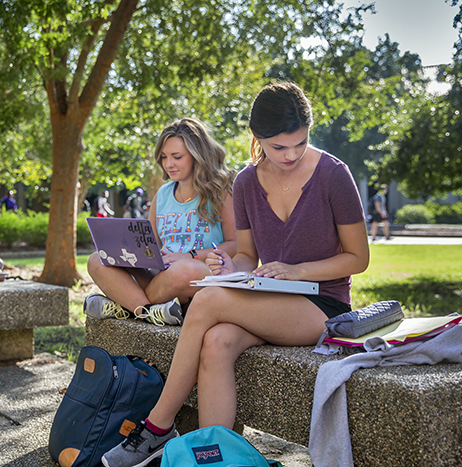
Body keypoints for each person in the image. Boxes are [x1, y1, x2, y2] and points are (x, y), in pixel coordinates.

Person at [100, 82, 370, 467]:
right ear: (257, 137)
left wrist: (297, 271)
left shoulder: (333, 174)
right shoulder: (244, 183)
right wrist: (229, 269)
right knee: (216, 341)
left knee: (208, 300)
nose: (291, 154)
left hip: (321, 304)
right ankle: (215, 460)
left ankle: (156, 428)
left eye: (300, 142)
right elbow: (246, 255)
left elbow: (358, 258)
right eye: (278, 147)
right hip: (270, 299)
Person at [85, 117, 237, 327]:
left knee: (183, 270)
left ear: (197, 156)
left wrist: (189, 255)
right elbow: (151, 246)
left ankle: (127, 306)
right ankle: (149, 312)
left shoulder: (222, 192)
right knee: (97, 259)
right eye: (164, 157)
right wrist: (125, 250)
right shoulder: (163, 194)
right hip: (161, 276)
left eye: (177, 156)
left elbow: (235, 245)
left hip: (196, 274)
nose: (168, 164)